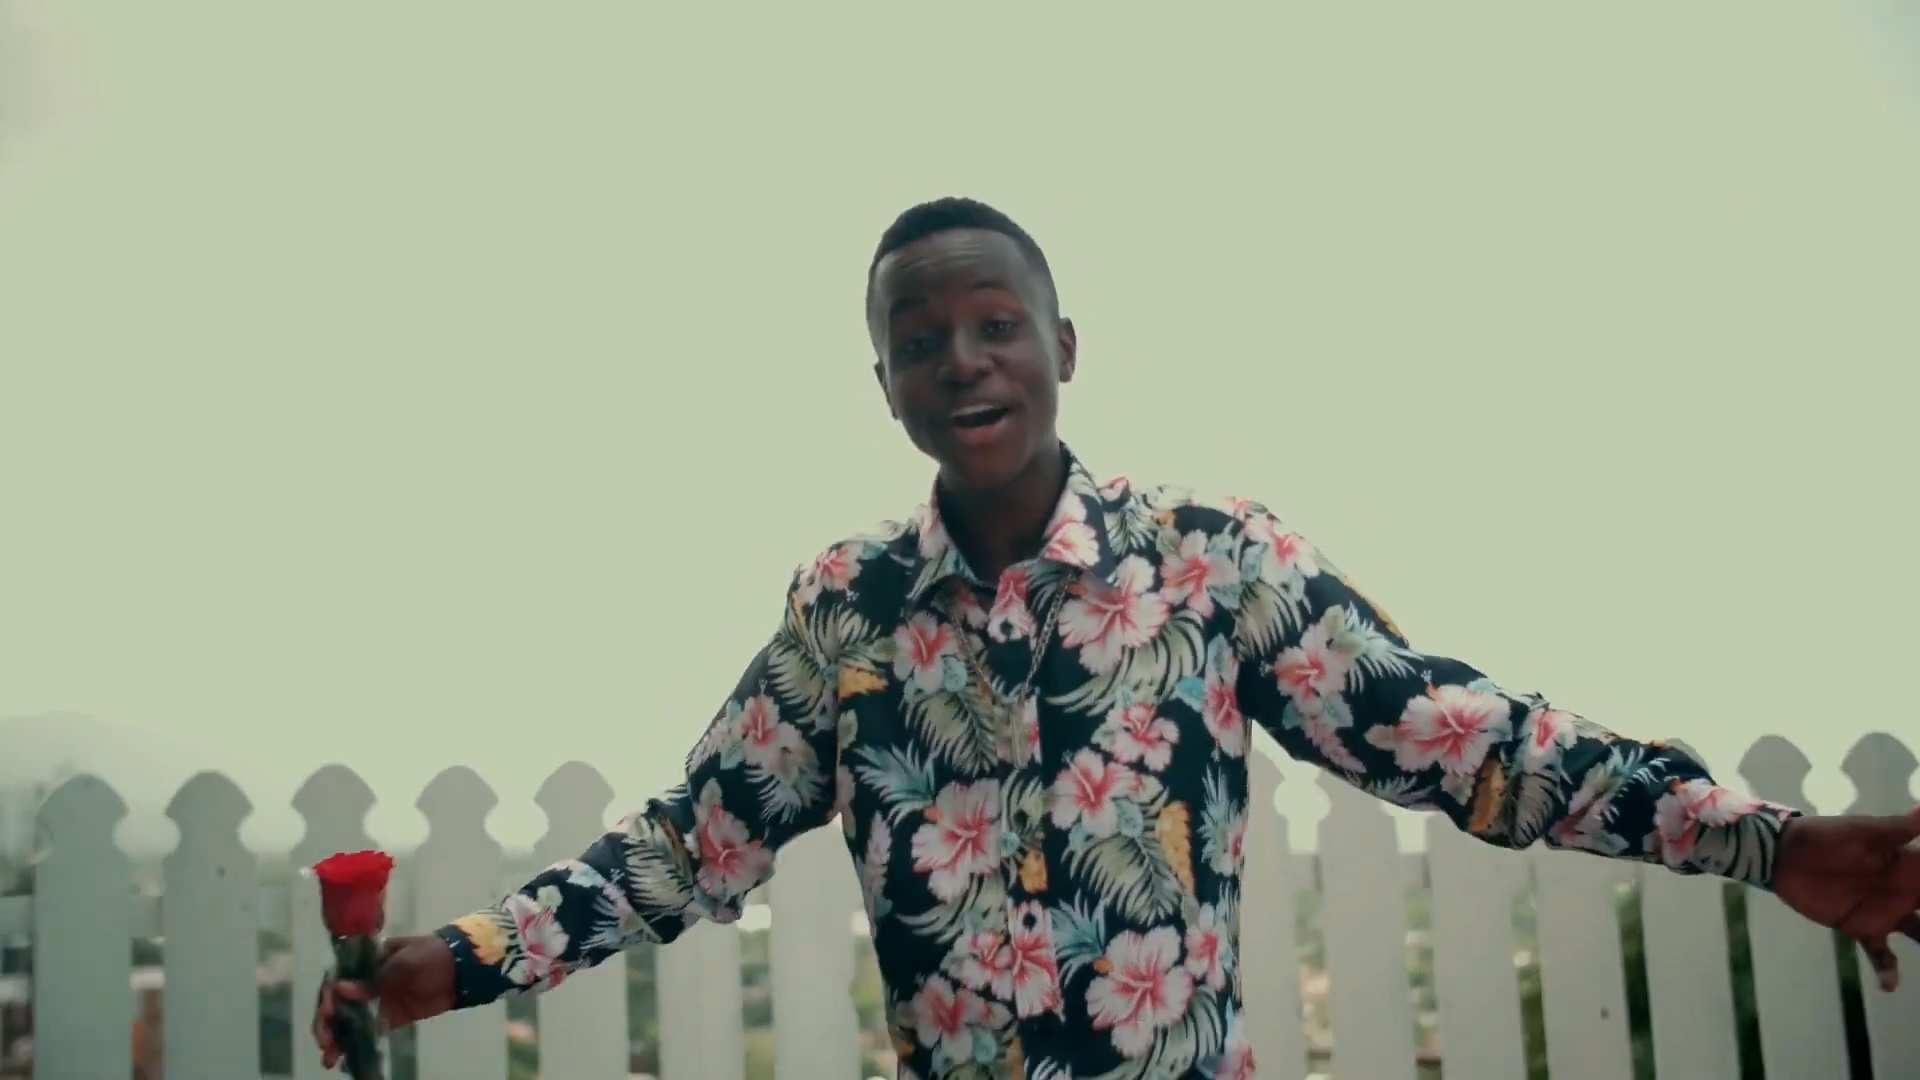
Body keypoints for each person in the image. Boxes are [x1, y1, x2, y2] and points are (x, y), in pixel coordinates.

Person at [314, 197, 1920, 1079]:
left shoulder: (1211, 564)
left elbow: (1461, 741)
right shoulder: (845, 614)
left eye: (994, 323)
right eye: (920, 341)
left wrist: (1761, 840)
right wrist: (455, 963)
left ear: (1063, 345)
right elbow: (689, 847)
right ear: (884, 386)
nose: (963, 360)